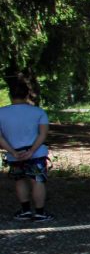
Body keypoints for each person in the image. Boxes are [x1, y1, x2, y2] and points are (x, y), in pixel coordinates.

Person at [0, 75, 52, 221]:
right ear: (27, 94)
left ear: (10, 95)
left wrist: (13, 152)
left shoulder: (1, 113)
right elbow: (43, 134)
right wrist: (32, 151)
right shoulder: (39, 112)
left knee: (20, 180)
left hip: (14, 153)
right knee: (38, 181)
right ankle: (40, 212)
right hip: (36, 153)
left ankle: (25, 210)